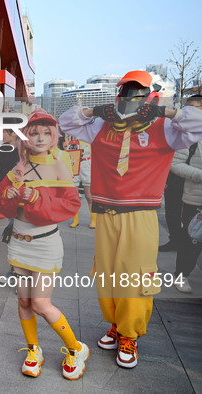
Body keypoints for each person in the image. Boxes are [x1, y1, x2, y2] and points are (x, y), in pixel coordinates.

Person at [59, 70, 202, 369]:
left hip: (141, 215)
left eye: (138, 93)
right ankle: (115, 325)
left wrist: (163, 110)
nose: (131, 99)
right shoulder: (101, 124)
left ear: (150, 96)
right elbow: (66, 122)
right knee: (107, 274)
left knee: (135, 277)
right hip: (106, 214)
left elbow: (198, 122)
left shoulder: (166, 127)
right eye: (126, 92)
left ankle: (130, 335)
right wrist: (97, 110)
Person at [0, 110, 87, 380]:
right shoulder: (18, 167)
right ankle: (34, 350)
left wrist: (36, 198)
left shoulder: (59, 165)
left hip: (45, 244)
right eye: (34, 132)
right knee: (23, 302)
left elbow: (71, 205)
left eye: (46, 132)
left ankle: (76, 349)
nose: (40, 137)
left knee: (41, 303)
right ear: (26, 136)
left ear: (54, 136)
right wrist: (7, 194)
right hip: (19, 244)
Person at [169, 95, 202, 292]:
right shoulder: (190, 135)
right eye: (186, 108)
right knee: (191, 240)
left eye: (193, 108)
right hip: (195, 198)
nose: (188, 112)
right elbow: (176, 164)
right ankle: (182, 274)